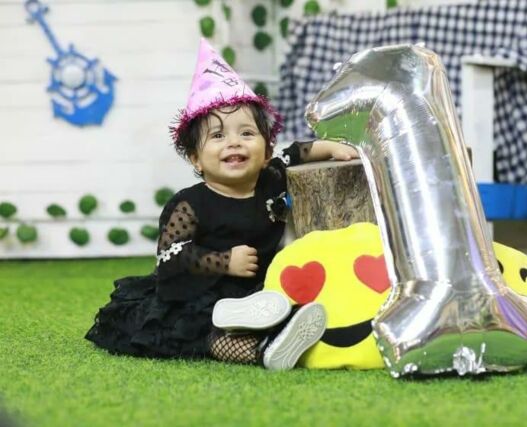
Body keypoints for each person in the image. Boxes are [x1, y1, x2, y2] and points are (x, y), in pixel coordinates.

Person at [85, 39, 358, 369]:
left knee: (287, 301)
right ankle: (265, 351)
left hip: (259, 289)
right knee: (210, 334)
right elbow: (172, 257)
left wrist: (328, 147)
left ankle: (280, 326)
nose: (234, 142)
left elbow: (295, 153)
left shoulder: (271, 176)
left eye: (247, 133)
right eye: (217, 136)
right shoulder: (188, 204)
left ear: (266, 151)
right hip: (204, 294)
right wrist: (225, 261)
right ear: (196, 159)